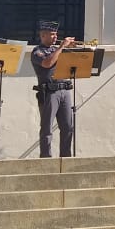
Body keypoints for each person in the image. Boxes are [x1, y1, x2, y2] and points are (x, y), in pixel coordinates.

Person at [31, 21, 77, 158]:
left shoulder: (56, 50)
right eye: (52, 34)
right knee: (47, 128)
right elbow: (47, 63)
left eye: (56, 34)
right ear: (43, 36)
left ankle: (66, 157)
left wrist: (71, 50)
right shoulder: (37, 51)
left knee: (68, 127)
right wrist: (62, 47)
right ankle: (46, 159)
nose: (56, 37)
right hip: (49, 92)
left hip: (65, 89)